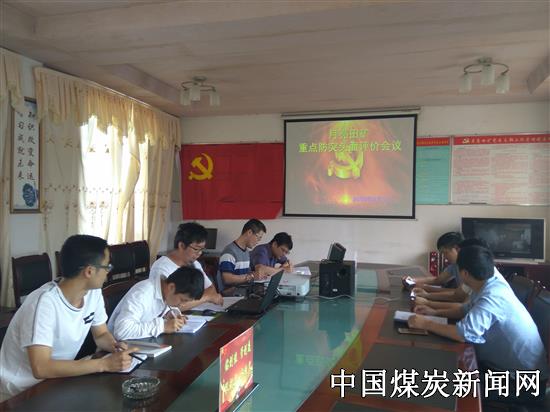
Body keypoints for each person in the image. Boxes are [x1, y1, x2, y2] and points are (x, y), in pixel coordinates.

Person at [0, 235, 136, 400]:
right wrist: (103, 364)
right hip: (20, 392)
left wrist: (115, 347)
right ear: (89, 271)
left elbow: (101, 334)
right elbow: (41, 368)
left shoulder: (92, 293)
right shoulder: (44, 303)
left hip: (57, 381)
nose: (109, 270)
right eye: (107, 266)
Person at [408, 245, 548, 402]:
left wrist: (426, 324)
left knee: (444, 383)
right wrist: (434, 312)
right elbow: (464, 309)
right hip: (509, 371)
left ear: (464, 273)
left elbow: (462, 334)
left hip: (523, 383)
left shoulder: (492, 297)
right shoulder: (490, 281)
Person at [108, 266, 204, 340]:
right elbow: (121, 331)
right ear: (171, 287)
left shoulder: (165, 291)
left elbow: (155, 309)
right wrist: (163, 326)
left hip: (140, 343)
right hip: (116, 347)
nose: (183, 305)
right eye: (183, 300)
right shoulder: (143, 293)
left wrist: (169, 313)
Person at [150, 222, 222, 309]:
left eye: (202, 249)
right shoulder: (161, 268)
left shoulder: (194, 263)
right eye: (196, 249)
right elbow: (170, 305)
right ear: (181, 245)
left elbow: (211, 289)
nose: (199, 253)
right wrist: (207, 297)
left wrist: (205, 297)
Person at [218, 219, 266, 291]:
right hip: (232, 293)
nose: (258, 242)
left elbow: (247, 274)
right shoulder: (229, 252)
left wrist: (258, 274)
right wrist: (251, 276)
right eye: (258, 238)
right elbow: (227, 278)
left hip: (244, 289)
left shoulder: (246, 252)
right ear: (249, 232)